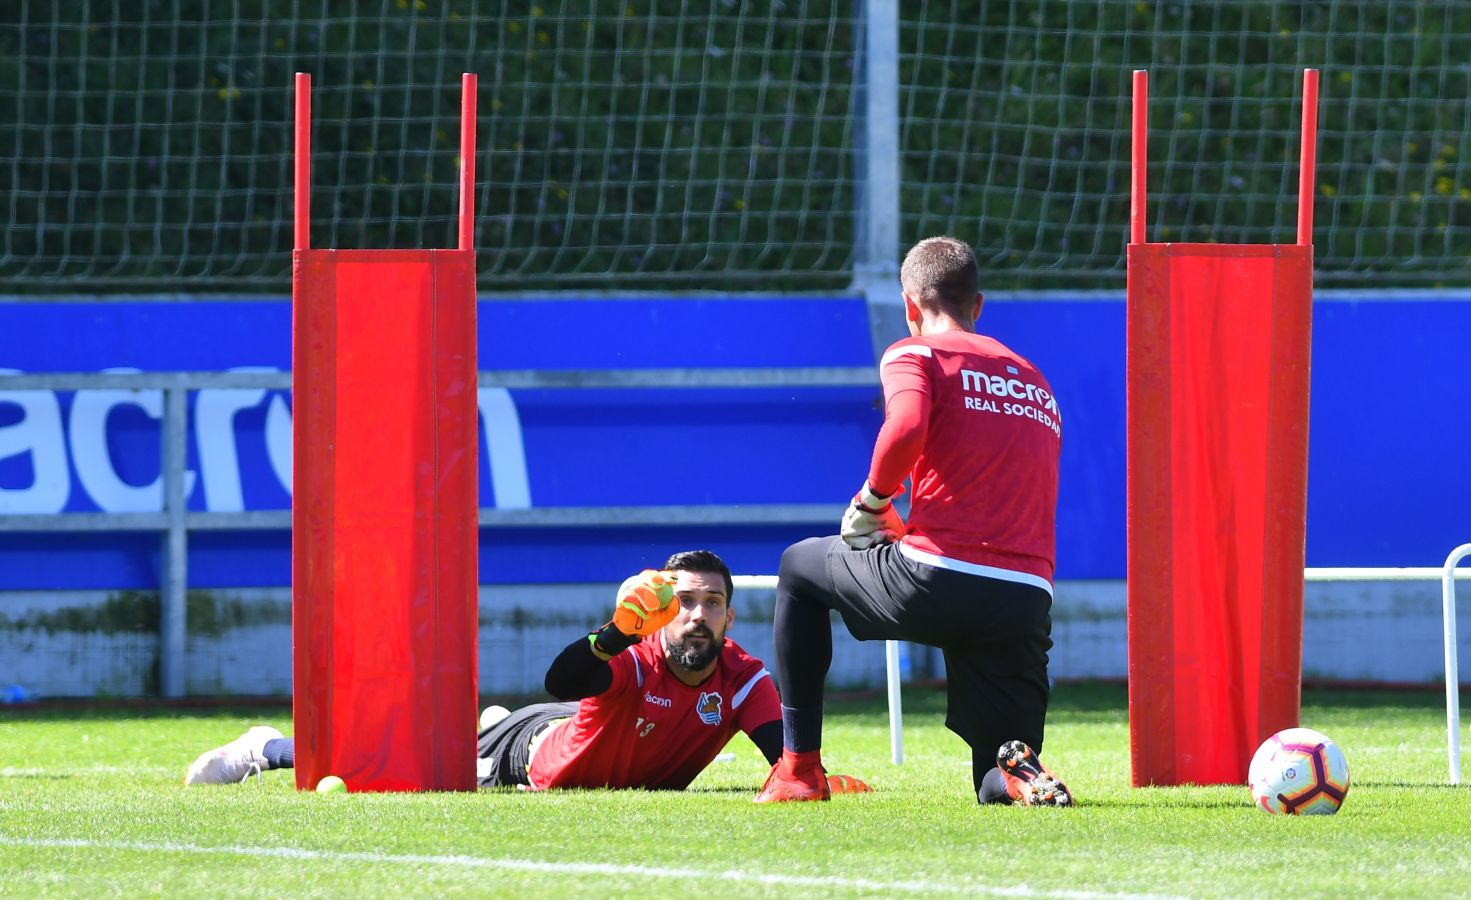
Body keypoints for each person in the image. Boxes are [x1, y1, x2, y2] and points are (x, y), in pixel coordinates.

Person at [756, 236, 1070, 806]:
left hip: (939, 578)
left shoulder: (916, 353)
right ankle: (1019, 776)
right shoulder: (1034, 380)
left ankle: (798, 770)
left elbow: (904, 426)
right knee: (993, 773)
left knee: (799, 567)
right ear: (978, 305)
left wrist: (873, 503)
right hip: (1026, 598)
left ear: (910, 304)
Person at [185, 550, 869, 794]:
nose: (696, 615)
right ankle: (265, 749)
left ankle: (486, 724)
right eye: (683, 601)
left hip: (563, 730)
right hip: (530, 757)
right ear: (663, 611)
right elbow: (564, 681)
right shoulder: (632, 655)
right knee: (388, 770)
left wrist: (811, 774)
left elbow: (786, 761)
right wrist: (613, 633)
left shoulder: (744, 677)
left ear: (728, 617)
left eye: (711, 604)